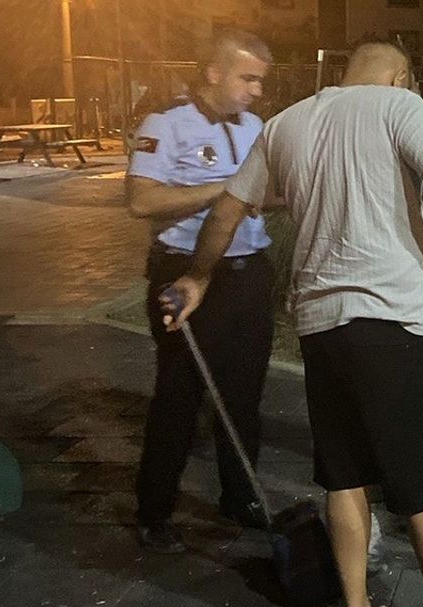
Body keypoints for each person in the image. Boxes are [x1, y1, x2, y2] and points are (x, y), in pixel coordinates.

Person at [163, 42, 423, 607]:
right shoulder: (400, 106)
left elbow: (228, 208)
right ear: (401, 76)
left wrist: (197, 277)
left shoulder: (286, 124)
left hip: (321, 327)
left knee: (344, 475)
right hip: (393, 319)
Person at [126, 30, 275, 553]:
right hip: (186, 274)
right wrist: (228, 191)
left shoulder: (255, 127)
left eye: (261, 81)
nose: (257, 90)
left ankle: (241, 498)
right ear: (213, 72)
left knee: (244, 396)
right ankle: (155, 510)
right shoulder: (166, 123)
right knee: (179, 396)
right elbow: (141, 201)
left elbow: (265, 194)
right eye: (247, 78)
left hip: (249, 274)